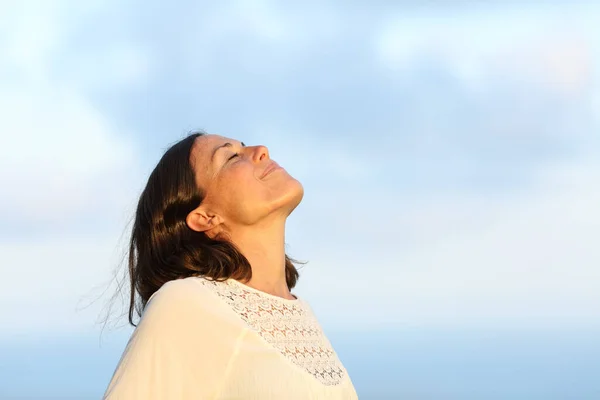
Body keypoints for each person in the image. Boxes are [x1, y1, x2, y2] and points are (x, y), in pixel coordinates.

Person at [102, 132, 358, 399]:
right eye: (232, 156)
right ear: (205, 218)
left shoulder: (300, 311)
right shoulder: (185, 302)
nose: (262, 150)